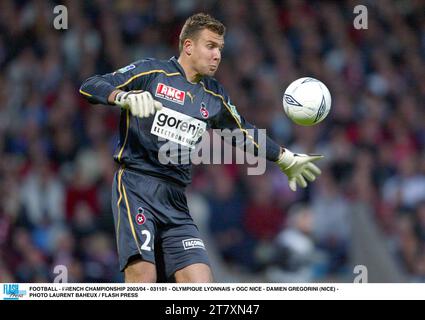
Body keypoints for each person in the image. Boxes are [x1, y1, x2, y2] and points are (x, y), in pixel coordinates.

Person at [79, 13, 323, 283]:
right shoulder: (151, 72)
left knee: (201, 284)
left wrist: (285, 158)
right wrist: (123, 96)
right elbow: (90, 86)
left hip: (176, 198)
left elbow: (242, 133)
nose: (217, 54)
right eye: (210, 46)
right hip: (137, 186)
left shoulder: (214, 95)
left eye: (220, 48)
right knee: (143, 278)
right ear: (188, 46)